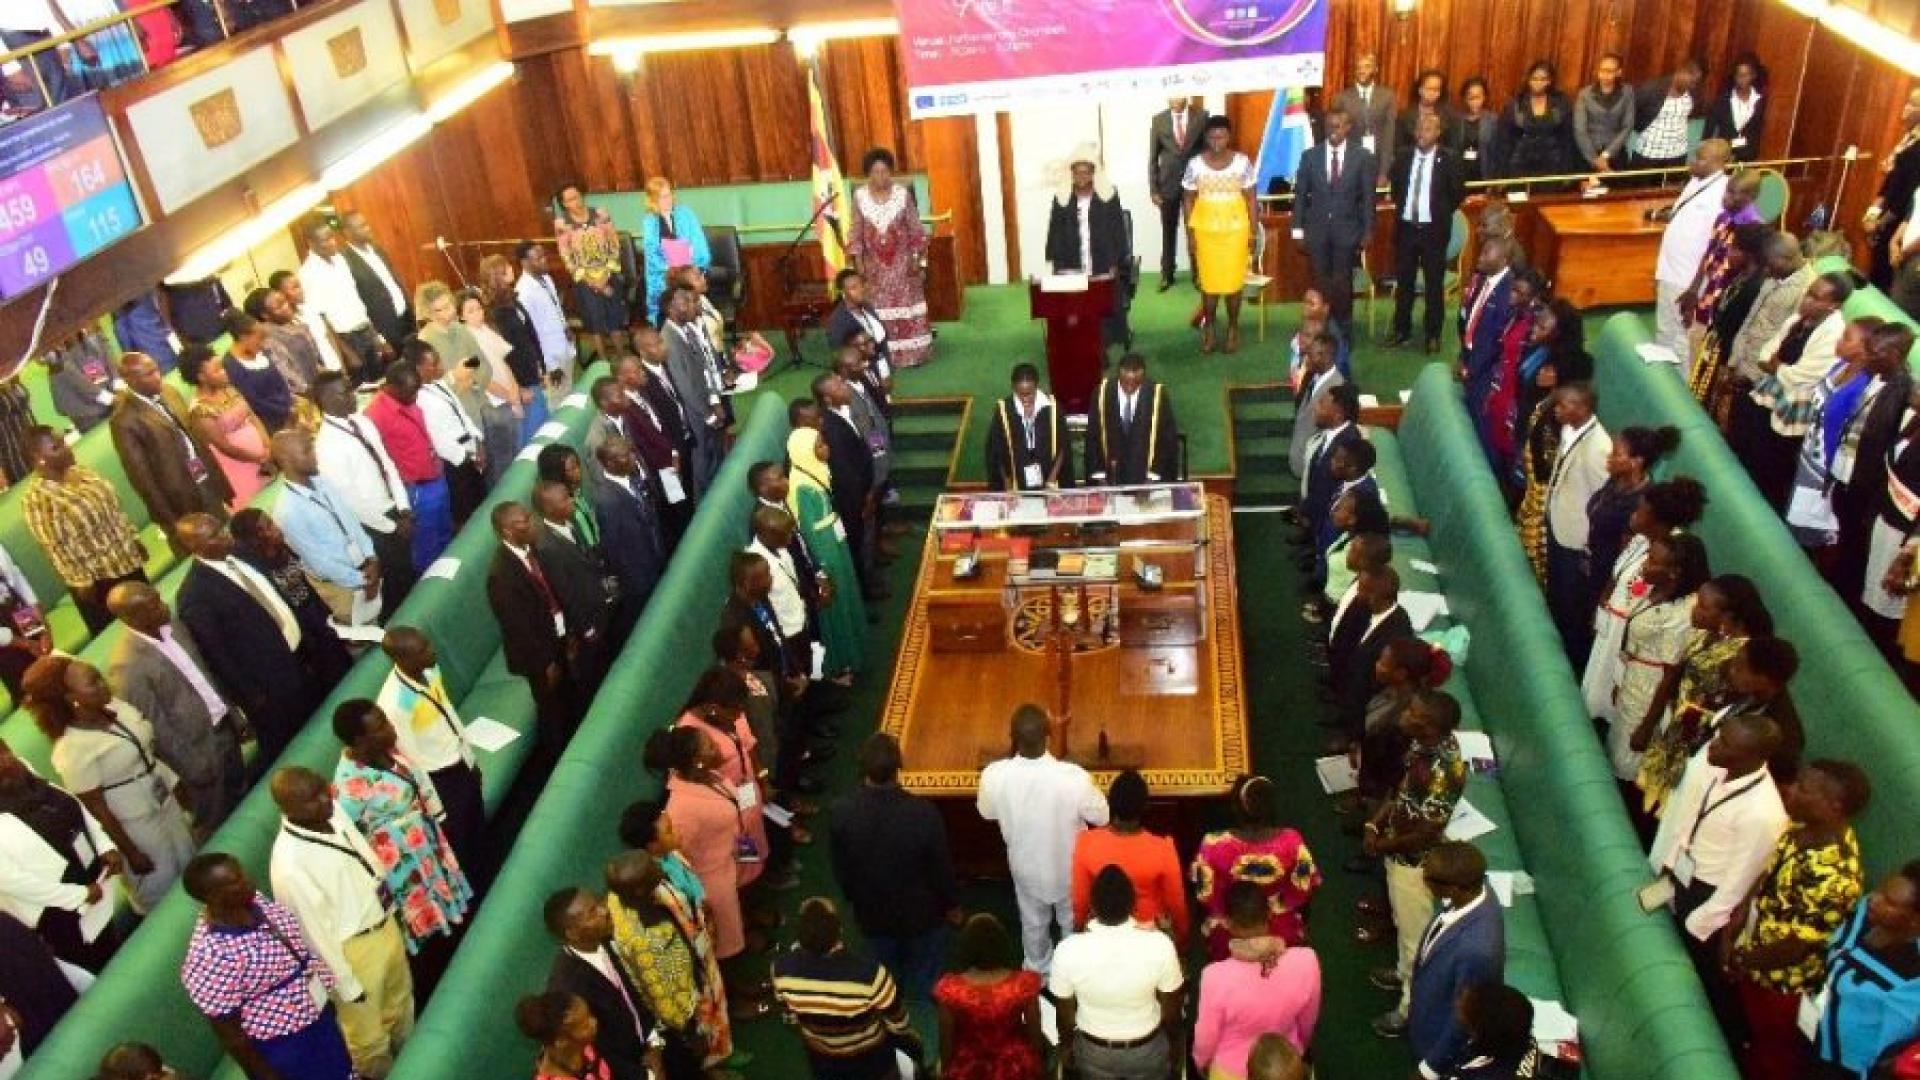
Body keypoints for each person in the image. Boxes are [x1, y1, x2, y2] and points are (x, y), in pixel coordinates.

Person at [1720, 758, 1869, 1080]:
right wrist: (1740, 915)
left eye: (1804, 789)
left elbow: (1795, 948)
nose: (1791, 790)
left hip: (1780, 983)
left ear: (1834, 806)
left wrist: (1741, 959)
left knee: (1773, 1056)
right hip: (1752, 950)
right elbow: (1770, 873)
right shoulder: (1802, 827)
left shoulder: (1835, 875)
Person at [268, 766, 416, 1079]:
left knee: (402, 1005)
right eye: (312, 799)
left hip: (381, 922)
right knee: (368, 1038)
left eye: (323, 789)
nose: (325, 800)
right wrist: (346, 984)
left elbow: (364, 855)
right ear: (287, 809)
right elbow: (313, 936)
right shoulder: (290, 865)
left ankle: (418, 1063)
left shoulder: (330, 812)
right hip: (352, 951)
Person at [21, 654, 193, 916]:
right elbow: (95, 808)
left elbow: (146, 752)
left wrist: (175, 786)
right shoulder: (72, 749)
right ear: (71, 698)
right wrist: (130, 852)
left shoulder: (115, 707)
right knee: (161, 888)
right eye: (93, 682)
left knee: (191, 865)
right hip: (135, 826)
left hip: (164, 800)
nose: (103, 684)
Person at [180, 854, 356, 1080]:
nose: (248, 881)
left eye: (242, 873)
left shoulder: (255, 902)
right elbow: (229, 1033)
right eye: (236, 882)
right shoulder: (210, 955)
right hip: (283, 1040)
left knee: (341, 1069)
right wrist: (264, 1074)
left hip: (315, 1011)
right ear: (213, 897)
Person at [330, 699, 472, 953]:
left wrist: (439, 816)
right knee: (430, 930)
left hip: (427, 843)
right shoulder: (348, 789)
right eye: (381, 726)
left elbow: (420, 780)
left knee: (450, 908)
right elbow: (352, 841)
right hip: (403, 865)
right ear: (361, 741)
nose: (390, 727)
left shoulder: (390, 749)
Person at [104, 581, 244, 838]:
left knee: (244, 799)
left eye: (157, 598)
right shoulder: (126, 666)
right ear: (131, 618)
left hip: (225, 729)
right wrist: (191, 765)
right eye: (152, 606)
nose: (162, 605)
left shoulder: (174, 626)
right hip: (197, 754)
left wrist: (233, 714)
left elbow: (204, 673)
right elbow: (155, 727)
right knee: (216, 823)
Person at [977, 704, 1110, 974]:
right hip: (1069, 869)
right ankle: (1070, 972)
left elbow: (986, 812)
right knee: (1072, 921)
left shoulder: (995, 775)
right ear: (1049, 735)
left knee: (1032, 923)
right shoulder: (1073, 778)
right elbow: (1103, 817)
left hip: (1025, 868)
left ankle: (1037, 972)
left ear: (1011, 737)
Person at [1649, 715, 1789, 967]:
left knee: (1682, 961)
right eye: (1719, 736)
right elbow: (1692, 821)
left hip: (1705, 897)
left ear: (1751, 757)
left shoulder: (1763, 814)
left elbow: (1739, 883)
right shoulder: (1719, 767)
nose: (1712, 745)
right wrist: (1669, 864)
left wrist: (1698, 923)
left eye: (1724, 743)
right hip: (1682, 873)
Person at [829, 733, 957, 1003]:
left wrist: (854, 899)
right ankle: (925, 995)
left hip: (873, 913)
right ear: (899, 767)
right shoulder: (924, 812)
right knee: (927, 969)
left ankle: (887, 996)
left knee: (882, 969)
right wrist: (951, 905)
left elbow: (841, 868)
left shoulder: (842, 812)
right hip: (923, 914)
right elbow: (941, 869)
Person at [1361, 690, 1467, 1006]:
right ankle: (1400, 972)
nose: (1404, 714)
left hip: (1415, 864)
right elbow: (1401, 791)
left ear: (1430, 726)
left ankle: (1408, 1007)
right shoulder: (1422, 745)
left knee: (1413, 939)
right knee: (1400, 921)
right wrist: (1374, 824)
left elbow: (1427, 833)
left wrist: (1382, 844)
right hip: (1395, 848)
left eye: (1413, 713)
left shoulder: (1447, 771)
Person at [644, 726, 760, 1011]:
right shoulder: (680, 809)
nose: (716, 748)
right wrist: (698, 897)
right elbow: (679, 857)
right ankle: (733, 1000)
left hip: (729, 862)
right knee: (721, 946)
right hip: (710, 883)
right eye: (708, 746)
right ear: (696, 760)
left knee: (734, 932)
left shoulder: (709, 776)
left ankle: (739, 985)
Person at [1582, 477, 1707, 722]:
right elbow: (1618, 574)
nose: (1635, 513)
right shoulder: (1640, 539)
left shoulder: (1672, 552)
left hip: (1632, 641)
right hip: (1611, 630)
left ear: (1658, 520)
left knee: (1616, 706)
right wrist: (1602, 608)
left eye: (1641, 510)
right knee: (1595, 695)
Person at [605, 848, 734, 1075]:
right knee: (693, 1056)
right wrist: (690, 1029)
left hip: (694, 976)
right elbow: (662, 994)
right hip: (682, 1010)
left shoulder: (620, 897)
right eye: (652, 871)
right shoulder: (644, 940)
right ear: (640, 889)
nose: (660, 870)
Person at [1050, 865, 1185, 1079]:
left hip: (1093, 1053)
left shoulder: (1067, 950)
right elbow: (1172, 1013)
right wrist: (1176, 1047)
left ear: (1092, 906)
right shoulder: (1159, 944)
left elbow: (1065, 1017)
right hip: (1147, 1051)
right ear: (1133, 904)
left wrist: (1066, 1048)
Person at [0, 739, 122, 973]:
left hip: (89, 880)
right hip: (55, 911)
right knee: (97, 968)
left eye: (5, 752)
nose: (5, 761)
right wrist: (76, 896)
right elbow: (13, 881)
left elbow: (69, 802)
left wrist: (104, 843)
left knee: (114, 947)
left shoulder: (19, 770)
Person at [1387, 841, 1506, 1080]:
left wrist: (1428, 1070)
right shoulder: (1474, 892)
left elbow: (1464, 1019)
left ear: (1453, 889)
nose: (1422, 877)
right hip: (1425, 1011)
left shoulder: (1477, 950)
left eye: (1428, 877)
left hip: (1436, 1039)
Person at [1736, 272, 1855, 509]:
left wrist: (1776, 367)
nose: (1806, 300)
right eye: (1808, 292)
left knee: (1772, 466)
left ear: (1834, 305)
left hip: (1795, 408)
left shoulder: (1834, 333)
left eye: (1816, 297)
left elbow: (1802, 376)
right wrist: (1774, 364)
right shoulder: (1799, 319)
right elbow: (1768, 350)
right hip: (1771, 392)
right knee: (1749, 443)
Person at [772, 897, 925, 1079]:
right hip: (871, 1057)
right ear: (840, 930)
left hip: (822, 1058)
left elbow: (790, 1017)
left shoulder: (781, 969)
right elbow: (898, 1023)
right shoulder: (871, 975)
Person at [20, 426, 148, 635]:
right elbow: (55, 549)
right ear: (39, 459)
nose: (67, 447)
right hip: (98, 583)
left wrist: (133, 537)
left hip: (127, 561)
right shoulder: (38, 499)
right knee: (125, 637)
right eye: (57, 447)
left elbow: (115, 508)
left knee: (151, 617)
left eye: (63, 442)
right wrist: (82, 583)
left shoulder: (81, 472)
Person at [311, 373, 418, 620]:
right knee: (397, 583)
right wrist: (391, 526)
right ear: (326, 399)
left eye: (351, 389)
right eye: (344, 392)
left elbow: (387, 463)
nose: (352, 396)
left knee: (409, 572)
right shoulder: (327, 446)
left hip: (394, 510)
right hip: (375, 525)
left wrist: (403, 508)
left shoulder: (362, 422)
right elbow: (351, 502)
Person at [374, 626, 483, 866]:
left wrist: (470, 758)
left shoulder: (430, 670)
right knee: (462, 840)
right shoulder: (394, 704)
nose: (432, 651)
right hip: (440, 779)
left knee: (478, 824)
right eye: (423, 650)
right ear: (403, 659)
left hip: (459, 759)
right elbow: (412, 760)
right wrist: (437, 807)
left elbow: (448, 713)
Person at [1804, 860, 1920, 1079]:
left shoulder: (1913, 976)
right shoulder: (1865, 915)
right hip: (1813, 1029)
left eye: (1890, 902)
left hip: (1847, 1067)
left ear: (1915, 922)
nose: (1875, 900)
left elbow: (1890, 1048)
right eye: (1881, 891)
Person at [1193, 881, 1321, 1080]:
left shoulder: (1214, 976)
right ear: (1270, 914)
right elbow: (1308, 1022)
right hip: (1286, 1062)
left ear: (1228, 923)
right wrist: (1297, 1049)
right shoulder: (1307, 960)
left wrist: (1201, 1062)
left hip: (1230, 1069)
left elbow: (1206, 1039)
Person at [543, 888, 665, 1080]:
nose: (604, 910)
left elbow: (631, 996)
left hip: (652, 1049)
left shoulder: (604, 939)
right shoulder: (568, 989)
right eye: (592, 912)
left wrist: (654, 1045)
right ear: (573, 933)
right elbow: (593, 1050)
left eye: (598, 903)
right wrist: (648, 1075)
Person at [111, 351, 234, 543]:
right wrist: (169, 521)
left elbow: (195, 438)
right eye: (149, 374)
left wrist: (220, 483)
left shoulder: (169, 392)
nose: (158, 376)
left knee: (228, 537)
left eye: (156, 369)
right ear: (131, 380)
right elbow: (142, 479)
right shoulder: (124, 420)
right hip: (180, 501)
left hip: (205, 479)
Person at [488, 501, 578, 755]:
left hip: (557, 636)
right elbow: (518, 627)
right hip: (538, 656)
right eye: (524, 521)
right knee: (552, 710)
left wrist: (568, 631)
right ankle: (558, 757)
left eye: (529, 516)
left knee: (568, 696)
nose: (531, 523)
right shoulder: (501, 575)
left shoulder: (531, 549)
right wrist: (545, 663)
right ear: (507, 530)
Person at [1069, 768, 1186, 938]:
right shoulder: (1163, 848)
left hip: (1102, 927)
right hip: (1149, 930)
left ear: (1110, 802)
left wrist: (1079, 929)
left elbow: (1080, 900)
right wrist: (1182, 939)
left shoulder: (1086, 842)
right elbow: (1176, 903)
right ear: (1145, 807)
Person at [1544, 384, 1613, 665]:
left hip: (1577, 538)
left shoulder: (1599, 448)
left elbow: (1601, 503)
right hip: (1559, 524)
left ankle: (1570, 659)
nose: (1557, 409)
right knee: (1557, 594)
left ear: (1583, 409)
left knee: (1571, 604)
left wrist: (1588, 545)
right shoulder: (1569, 429)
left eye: (1564, 405)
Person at [1293, 106, 1376, 340]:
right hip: (1317, 231)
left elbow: (1368, 197)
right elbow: (1301, 195)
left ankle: (1343, 333)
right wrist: (1297, 231)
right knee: (1320, 282)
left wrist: (1368, 230)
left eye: (1337, 126)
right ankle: (1320, 330)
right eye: (1329, 126)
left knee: (1342, 284)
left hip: (1348, 232)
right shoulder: (1310, 156)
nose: (1332, 131)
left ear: (1348, 128)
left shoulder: (1362, 157)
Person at [363, 360, 454, 573]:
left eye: (417, 389)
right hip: (416, 489)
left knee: (445, 531)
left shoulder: (409, 396)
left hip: (435, 476)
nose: (416, 396)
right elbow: (379, 460)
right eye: (411, 391)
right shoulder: (374, 416)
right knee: (427, 546)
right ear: (392, 388)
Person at [1389, 112, 1467, 354]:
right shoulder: (1403, 157)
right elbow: (1396, 191)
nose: (1421, 133)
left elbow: (1457, 195)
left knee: (1434, 286)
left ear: (1438, 133)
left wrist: (1439, 215)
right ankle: (1402, 331)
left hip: (1434, 232)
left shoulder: (1449, 159)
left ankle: (1432, 334)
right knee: (1405, 284)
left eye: (1428, 129)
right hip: (1407, 229)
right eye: (1419, 128)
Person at [1650, 139, 1734, 364]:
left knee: (1681, 339)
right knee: (1664, 330)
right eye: (1695, 155)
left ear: (1719, 163)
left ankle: (1678, 388)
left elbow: (1713, 246)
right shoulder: (1696, 181)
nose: (1693, 161)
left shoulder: (1723, 195)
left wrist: (1694, 288)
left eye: (1701, 158)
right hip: (1670, 272)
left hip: (1688, 280)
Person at [932, 913, 1044, 1080]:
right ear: (1002, 944)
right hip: (1016, 1065)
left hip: (968, 1064)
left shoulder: (950, 988)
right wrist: (1037, 1066)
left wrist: (947, 1070)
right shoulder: (1024, 983)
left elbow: (946, 1039)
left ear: (966, 947)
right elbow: (1035, 1032)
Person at [1181, 117, 1259, 353]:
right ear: (1206, 138)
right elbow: (1187, 198)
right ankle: (1210, 328)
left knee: (1234, 284)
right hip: (1206, 231)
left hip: (1236, 230)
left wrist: (1253, 231)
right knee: (1209, 284)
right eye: (1213, 137)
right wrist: (1190, 233)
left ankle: (1234, 328)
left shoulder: (1242, 162)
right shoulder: (1195, 164)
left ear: (1229, 137)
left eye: (1222, 136)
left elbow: (1251, 197)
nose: (1217, 142)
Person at [849, 148, 932, 368]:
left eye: (885, 171)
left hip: (904, 264)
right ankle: (886, 356)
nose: (881, 177)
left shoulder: (902, 195)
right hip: (874, 267)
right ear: (868, 174)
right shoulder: (859, 198)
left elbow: (916, 230)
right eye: (875, 172)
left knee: (907, 305)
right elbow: (856, 231)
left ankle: (914, 355)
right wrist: (858, 264)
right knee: (879, 309)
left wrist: (918, 260)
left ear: (891, 172)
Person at [531, 479, 619, 688]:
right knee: (595, 670)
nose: (571, 501)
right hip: (586, 620)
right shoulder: (547, 547)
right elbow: (565, 593)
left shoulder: (568, 523)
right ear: (549, 508)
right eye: (565, 500)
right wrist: (586, 627)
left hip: (599, 604)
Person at [1585, 425, 1680, 616]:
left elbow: (1625, 555)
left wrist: (1606, 594)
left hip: (1607, 578)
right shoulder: (1617, 479)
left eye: (1616, 454)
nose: (1609, 457)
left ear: (1636, 462)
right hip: (1592, 562)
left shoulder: (1642, 505)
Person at [176, 344, 275, 511]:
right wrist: (257, 457)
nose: (224, 372)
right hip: (238, 468)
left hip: (264, 456)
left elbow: (252, 416)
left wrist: (267, 445)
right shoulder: (200, 410)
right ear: (201, 377)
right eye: (217, 370)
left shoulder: (228, 389)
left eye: (222, 367)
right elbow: (224, 446)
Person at [1687, 224, 1771, 415]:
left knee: (1715, 407)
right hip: (1716, 348)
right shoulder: (1741, 276)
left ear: (1748, 254)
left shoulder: (1756, 287)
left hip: (1728, 358)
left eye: (1734, 248)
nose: (1729, 253)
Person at [408, 339, 487, 526]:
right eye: (434, 364)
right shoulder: (419, 400)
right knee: (468, 516)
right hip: (457, 464)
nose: (440, 366)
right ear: (419, 369)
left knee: (482, 504)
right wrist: (470, 457)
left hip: (472, 453)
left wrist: (478, 441)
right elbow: (440, 441)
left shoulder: (437, 384)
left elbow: (461, 413)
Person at [300, 220, 393, 381]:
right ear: (311, 243)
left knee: (382, 379)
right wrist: (346, 353)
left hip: (366, 331)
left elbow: (357, 302)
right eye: (325, 240)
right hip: (347, 339)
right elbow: (321, 320)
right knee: (364, 387)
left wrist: (377, 337)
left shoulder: (340, 260)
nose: (332, 243)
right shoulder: (308, 274)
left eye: (332, 237)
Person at [660, 282, 728, 495]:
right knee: (701, 464)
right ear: (671, 309)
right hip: (694, 414)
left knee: (714, 455)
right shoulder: (668, 340)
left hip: (707, 404)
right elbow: (685, 387)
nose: (693, 306)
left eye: (692, 301)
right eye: (686, 302)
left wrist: (715, 401)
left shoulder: (688, 329)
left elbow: (706, 368)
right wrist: (707, 413)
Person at [470, 275, 549, 448]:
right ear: (461, 317)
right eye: (471, 311)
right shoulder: (468, 341)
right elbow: (481, 378)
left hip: (513, 391)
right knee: (518, 446)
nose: (478, 313)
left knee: (537, 431)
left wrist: (516, 390)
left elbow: (505, 363)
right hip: (498, 401)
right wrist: (512, 396)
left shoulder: (487, 329)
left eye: (479, 308)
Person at [554, 182, 631, 356]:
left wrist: (606, 277)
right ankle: (603, 360)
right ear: (564, 204)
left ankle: (621, 357)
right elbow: (566, 256)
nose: (577, 201)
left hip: (608, 274)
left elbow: (614, 244)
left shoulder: (600, 213)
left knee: (615, 317)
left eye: (578, 196)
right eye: (571, 199)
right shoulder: (561, 223)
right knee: (594, 320)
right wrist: (592, 282)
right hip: (585, 280)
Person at [1085, 354, 1180, 485]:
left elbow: (1166, 440)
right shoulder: (1102, 393)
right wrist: (1100, 478)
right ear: (1118, 372)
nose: (1131, 379)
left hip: (1145, 478)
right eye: (1126, 373)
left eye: (1136, 374)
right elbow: (1092, 436)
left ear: (1143, 375)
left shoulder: (1157, 395)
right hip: (1111, 479)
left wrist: (1151, 479)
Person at [1459, 238, 1517, 443]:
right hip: (1470, 359)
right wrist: (1464, 357)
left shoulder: (1508, 293)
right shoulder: (1482, 279)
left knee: (1479, 421)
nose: (1480, 257)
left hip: (1486, 371)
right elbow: (1469, 319)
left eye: (1486, 254)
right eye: (1482, 252)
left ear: (1503, 259)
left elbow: (1496, 343)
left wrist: (1472, 369)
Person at [1149, 97, 1208, 290]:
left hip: (1195, 184)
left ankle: (1199, 274)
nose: (1175, 98)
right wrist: (1154, 189)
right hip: (1168, 185)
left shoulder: (1201, 117)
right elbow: (1153, 157)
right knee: (1168, 230)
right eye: (1172, 95)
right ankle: (1167, 274)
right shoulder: (1159, 120)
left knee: (1195, 229)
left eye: (1180, 94)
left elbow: (1207, 151)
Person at [985, 363, 1072, 491]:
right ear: (1013, 388)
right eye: (1021, 394)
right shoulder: (1004, 410)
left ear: (1037, 386)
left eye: (1029, 393)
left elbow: (1063, 448)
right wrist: (1008, 485)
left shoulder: (1052, 408)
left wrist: (1052, 480)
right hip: (1017, 481)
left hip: (1049, 477)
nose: (1025, 399)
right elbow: (997, 452)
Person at [637, 177, 710, 329]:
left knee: (693, 317)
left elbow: (699, 244)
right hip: (665, 279)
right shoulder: (649, 221)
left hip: (689, 275)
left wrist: (689, 267)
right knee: (670, 321)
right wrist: (672, 269)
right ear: (653, 199)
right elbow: (652, 256)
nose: (668, 199)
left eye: (669, 194)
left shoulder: (686, 213)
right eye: (663, 197)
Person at [336, 210, 413, 351]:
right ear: (347, 232)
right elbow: (356, 301)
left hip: (407, 319)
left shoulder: (377, 249)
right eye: (362, 226)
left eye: (367, 224)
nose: (368, 228)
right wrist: (378, 338)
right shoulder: (344, 261)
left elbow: (394, 281)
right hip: (385, 330)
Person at [511, 244, 578, 391]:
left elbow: (556, 307)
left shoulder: (546, 278)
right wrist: (551, 366)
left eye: (544, 256)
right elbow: (532, 333)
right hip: (550, 356)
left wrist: (565, 327)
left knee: (568, 388)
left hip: (562, 343)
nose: (544, 261)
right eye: (538, 258)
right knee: (557, 397)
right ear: (524, 263)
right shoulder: (523, 293)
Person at [247, 282, 328, 398]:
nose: (287, 306)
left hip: (320, 386)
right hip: (307, 396)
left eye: (284, 301)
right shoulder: (268, 341)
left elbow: (314, 360)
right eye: (279, 306)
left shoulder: (294, 324)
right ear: (265, 315)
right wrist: (315, 393)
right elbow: (289, 377)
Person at [514, 990, 616, 1080]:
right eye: (585, 1026)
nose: (594, 1022)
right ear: (561, 1041)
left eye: (589, 1015)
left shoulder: (585, 1047)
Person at [222, 312, 296, 433]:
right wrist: (284, 411)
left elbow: (280, 381)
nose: (263, 344)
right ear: (243, 337)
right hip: (270, 423)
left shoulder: (260, 353)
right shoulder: (231, 366)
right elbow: (253, 402)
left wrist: (289, 403)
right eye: (260, 339)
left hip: (288, 408)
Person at [1500, 60, 1575, 178]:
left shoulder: (1560, 104)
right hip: (1520, 164)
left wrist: (1566, 170)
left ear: (1550, 81)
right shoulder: (1516, 104)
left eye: (1543, 79)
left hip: (1552, 164)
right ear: (1528, 79)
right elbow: (1506, 140)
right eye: (1534, 78)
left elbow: (1566, 139)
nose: (1538, 83)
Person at [1631, 59, 1707, 173]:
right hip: (1648, 153)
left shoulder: (1693, 93)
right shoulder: (1652, 88)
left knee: (1670, 190)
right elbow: (1633, 114)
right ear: (1681, 72)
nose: (1693, 86)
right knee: (1642, 190)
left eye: (1696, 83)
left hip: (1677, 155)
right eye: (1692, 82)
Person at [1332, 52, 1398, 181]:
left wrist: (1384, 170)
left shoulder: (1387, 96)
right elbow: (1336, 134)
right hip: (1350, 162)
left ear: (1375, 69)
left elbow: (1389, 134)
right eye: (1359, 67)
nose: (1362, 71)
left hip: (1378, 161)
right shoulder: (1341, 98)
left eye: (1367, 66)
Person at [826, 270, 898, 381]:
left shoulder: (867, 306)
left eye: (861, 285)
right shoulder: (838, 321)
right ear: (842, 293)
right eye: (853, 288)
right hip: (862, 375)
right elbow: (840, 354)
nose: (861, 290)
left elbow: (879, 336)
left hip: (882, 365)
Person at [1574, 53, 1634, 173]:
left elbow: (1628, 126)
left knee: (1618, 190)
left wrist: (1606, 155)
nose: (1605, 75)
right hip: (1588, 153)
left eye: (1610, 71)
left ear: (1619, 72)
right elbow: (1580, 129)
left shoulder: (1627, 92)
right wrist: (1595, 160)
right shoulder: (1585, 94)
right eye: (1602, 70)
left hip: (1615, 152)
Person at [1704, 54, 1767, 163]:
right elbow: (1708, 131)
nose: (1742, 79)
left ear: (1753, 76)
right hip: (1724, 157)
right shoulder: (1722, 100)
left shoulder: (1761, 101)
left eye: (1746, 75)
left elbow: (1758, 132)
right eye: (1739, 75)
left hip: (1748, 158)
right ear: (1734, 76)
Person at [1455, 77, 1497, 180]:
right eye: (1471, 97)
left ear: (1484, 97)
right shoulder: (1456, 120)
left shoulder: (1492, 120)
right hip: (1460, 172)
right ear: (1464, 98)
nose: (1474, 101)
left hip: (1483, 172)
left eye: (1478, 97)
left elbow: (1496, 152)